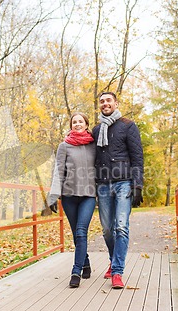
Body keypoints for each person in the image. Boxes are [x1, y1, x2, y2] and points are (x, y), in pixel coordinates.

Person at [92, 92, 144, 289]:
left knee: (121, 226)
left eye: (108, 100)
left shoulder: (128, 126)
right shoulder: (96, 130)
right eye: (102, 101)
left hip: (123, 182)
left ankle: (117, 271)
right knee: (107, 229)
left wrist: (137, 185)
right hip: (103, 184)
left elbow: (137, 157)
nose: (105, 104)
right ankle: (113, 260)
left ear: (116, 103)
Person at [48, 112, 96, 288]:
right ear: (71, 125)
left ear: (86, 124)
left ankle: (76, 271)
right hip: (69, 196)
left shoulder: (94, 145)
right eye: (74, 122)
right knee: (77, 233)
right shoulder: (64, 146)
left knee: (82, 231)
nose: (77, 124)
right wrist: (54, 195)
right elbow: (58, 171)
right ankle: (86, 262)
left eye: (80, 121)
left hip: (88, 195)